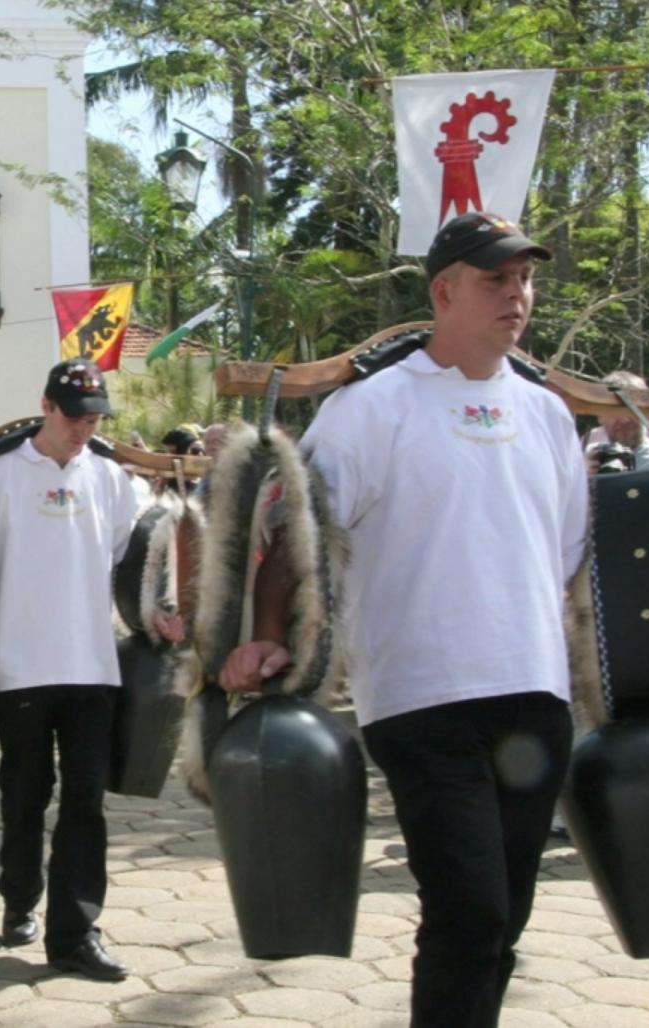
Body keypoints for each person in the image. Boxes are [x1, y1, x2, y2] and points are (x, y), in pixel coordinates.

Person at [221, 212, 585, 1028]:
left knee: (504, 923)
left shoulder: (550, 414)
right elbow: (295, 529)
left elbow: (562, 554)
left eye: (525, 279)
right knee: (471, 912)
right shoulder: (372, 407)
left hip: (535, 696)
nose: (518, 295)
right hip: (423, 702)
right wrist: (268, 633)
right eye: (497, 279)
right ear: (444, 291)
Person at [0, 360, 183, 981]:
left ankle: (76, 931)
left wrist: (157, 613)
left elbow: (133, 559)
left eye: (94, 419)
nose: (84, 428)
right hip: (18, 667)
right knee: (26, 795)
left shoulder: (111, 478)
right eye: (74, 416)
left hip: (92, 665)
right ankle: (18, 896)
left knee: (86, 801)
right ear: (46, 408)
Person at [584, 371, 649, 470]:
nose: (623, 420)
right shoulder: (584, 460)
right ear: (599, 416)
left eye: (631, 410)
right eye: (614, 411)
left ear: (646, 412)